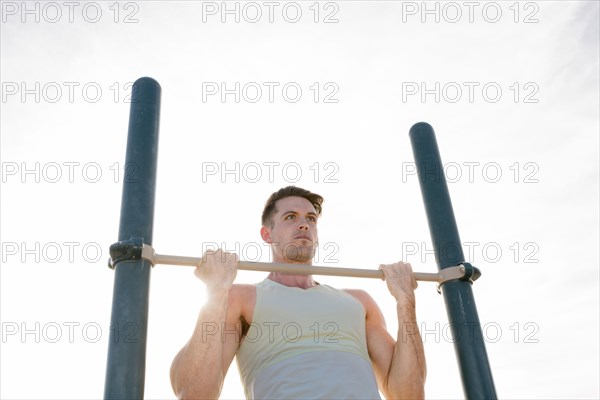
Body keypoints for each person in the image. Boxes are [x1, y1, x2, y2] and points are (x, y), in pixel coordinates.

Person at [170, 186, 426, 399]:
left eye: (311, 218)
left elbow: (408, 394)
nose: (304, 224)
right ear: (266, 234)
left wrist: (405, 301)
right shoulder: (240, 298)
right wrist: (215, 293)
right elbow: (193, 393)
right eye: (290, 217)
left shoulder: (358, 301)